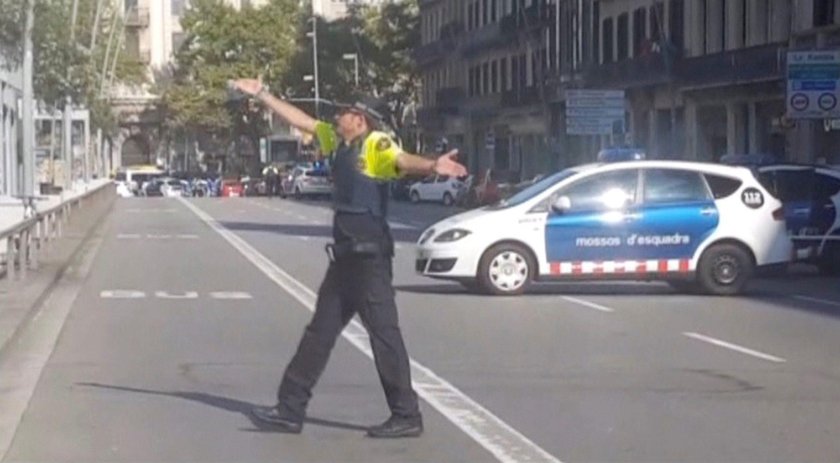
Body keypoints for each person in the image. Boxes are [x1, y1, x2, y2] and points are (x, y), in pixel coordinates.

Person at [231, 78, 467, 438]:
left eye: (343, 112)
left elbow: (403, 161)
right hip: (344, 260)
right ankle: (290, 409)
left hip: (369, 260)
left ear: (359, 119)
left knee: (384, 337)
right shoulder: (337, 142)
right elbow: (303, 122)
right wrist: (263, 95)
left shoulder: (376, 143)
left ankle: (406, 415)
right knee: (319, 335)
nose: (336, 116)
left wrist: (434, 165)